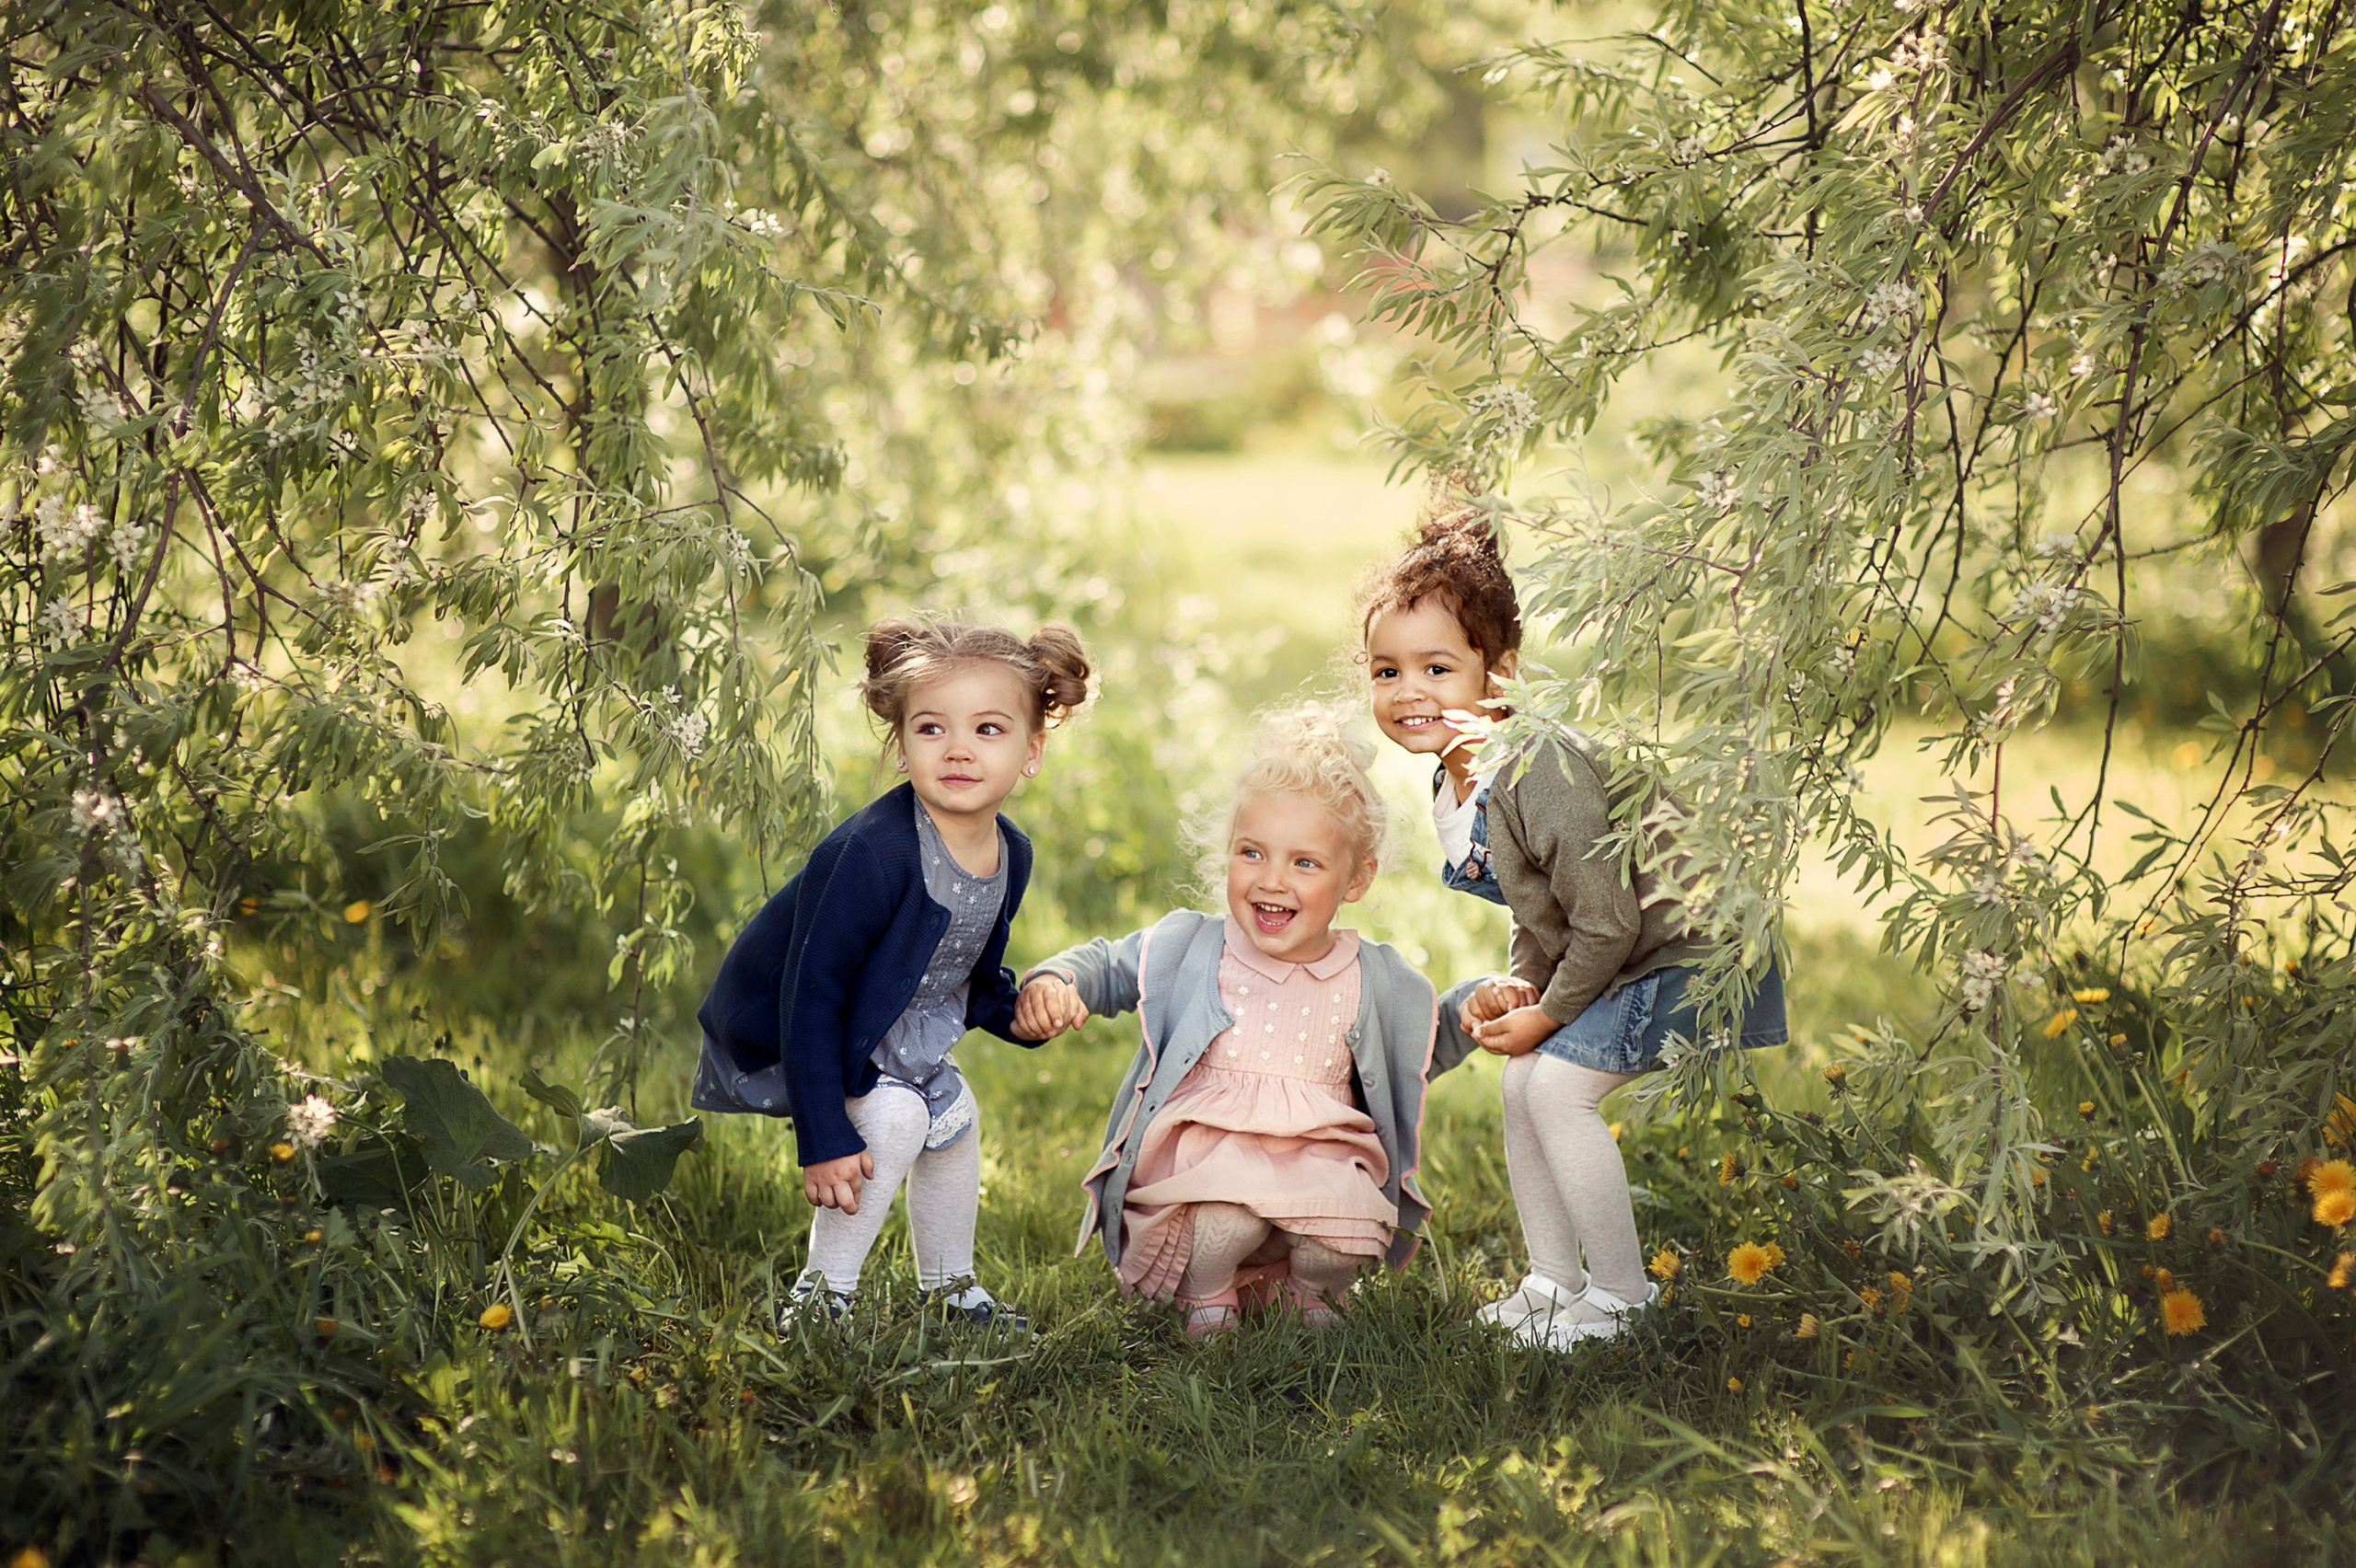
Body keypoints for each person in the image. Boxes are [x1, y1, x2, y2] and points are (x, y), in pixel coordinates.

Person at [1360, 502, 1787, 1350]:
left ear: (1501, 675)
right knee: (1523, 1082)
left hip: (1694, 952)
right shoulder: (1457, 777)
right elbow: (1543, 908)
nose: (1410, 691)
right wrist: (1528, 986)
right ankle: (1554, 1284)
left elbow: (1609, 914)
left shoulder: (1538, 767)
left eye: (1437, 669)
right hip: (1626, 951)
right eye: (1385, 671)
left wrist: (1553, 1013)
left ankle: (1624, 1301)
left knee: (1557, 1087)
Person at [691, 616, 1091, 1332]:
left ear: (1032, 751)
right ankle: (820, 1298)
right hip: (792, 1034)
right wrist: (824, 1138)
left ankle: (950, 1287)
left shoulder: (1010, 855)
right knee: (901, 1115)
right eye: (932, 728)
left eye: (989, 730)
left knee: (954, 1117)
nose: (959, 749)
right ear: (902, 744)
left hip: (879, 1028)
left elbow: (966, 975)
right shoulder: (872, 856)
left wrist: (1023, 1009)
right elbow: (808, 998)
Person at [1015, 705, 1440, 1338]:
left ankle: (1308, 1293)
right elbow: (1108, 965)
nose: (1272, 880)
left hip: (1319, 1156)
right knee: (1227, 1223)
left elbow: (1428, 1036)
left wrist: (1483, 1007)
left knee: (1340, 1238)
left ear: (1357, 878)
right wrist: (1058, 981)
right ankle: (1207, 1292)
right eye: (1252, 852)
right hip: (1211, 1157)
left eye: (1305, 863)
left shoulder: (1372, 976)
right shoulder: (1194, 946)